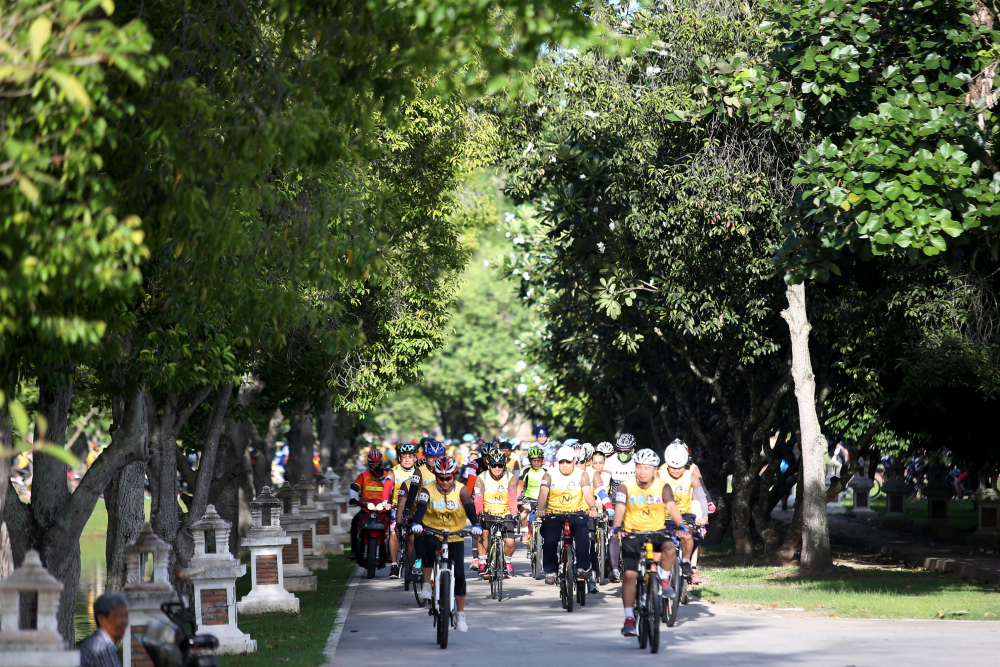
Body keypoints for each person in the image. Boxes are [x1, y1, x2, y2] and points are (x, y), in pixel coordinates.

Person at [611, 449, 688, 637]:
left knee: (670, 547)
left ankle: (663, 579)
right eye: (639, 467)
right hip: (632, 533)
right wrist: (617, 527)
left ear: (655, 469)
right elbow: (620, 508)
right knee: (629, 575)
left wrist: (680, 524)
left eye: (647, 467)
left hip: (657, 531)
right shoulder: (625, 486)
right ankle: (629, 618)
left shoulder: (663, 486)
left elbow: (671, 506)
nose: (643, 471)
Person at [412, 455, 482, 633]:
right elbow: (421, 507)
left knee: (459, 574)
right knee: (427, 545)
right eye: (441, 478)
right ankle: (427, 584)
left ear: (454, 476)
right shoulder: (427, 489)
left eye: (448, 478)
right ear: (436, 476)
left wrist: (476, 525)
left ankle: (460, 614)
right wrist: (417, 523)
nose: (444, 482)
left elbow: (468, 507)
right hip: (432, 530)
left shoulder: (461, 489)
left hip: (455, 535)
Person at [536, 445, 599, 586]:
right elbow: (543, 493)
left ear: (575, 460)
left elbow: (587, 492)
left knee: (583, 535)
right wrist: (540, 508)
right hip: (554, 514)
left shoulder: (582, 474)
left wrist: (593, 507)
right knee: (550, 539)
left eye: (568, 462)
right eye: (562, 462)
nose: (565, 465)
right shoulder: (549, 474)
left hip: (576, 513)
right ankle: (551, 571)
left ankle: (583, 567)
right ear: (557, 461)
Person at [658, 439, 707, 583]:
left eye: (680, 466)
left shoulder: (690, 475)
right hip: (663, 515)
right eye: (673, 466)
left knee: (687, 534)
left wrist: (703, 516)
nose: (676, 470)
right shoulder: (660, 474)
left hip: (684, 515)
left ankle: (686, 562)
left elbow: (701, 497)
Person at [396, 439, 445, 575]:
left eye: (437, 456)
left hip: (442, 509)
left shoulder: (447, 468)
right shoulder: (419, 471)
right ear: (425, 457)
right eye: (431, 457)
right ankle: (418, 559)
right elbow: (413, 490)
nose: (434, 459)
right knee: (419, 533)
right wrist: (407, 509)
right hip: (423, 510)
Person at [474, 447, 519, 578]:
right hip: (487, 511)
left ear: (504, 465)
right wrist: (480, 512)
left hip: (505, 512)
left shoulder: (510, 477)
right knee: (483, 533)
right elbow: (478, 498)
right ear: (489, 465)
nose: (497, 468)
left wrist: (514, 513)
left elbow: (512, 497)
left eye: (500, 465)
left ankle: (507, 562)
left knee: (510, 542)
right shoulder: (481, 477)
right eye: (494, 465)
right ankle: (482, 562)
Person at [349, 449, 394, 563]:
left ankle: (390, 553)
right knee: (355, 523)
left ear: (381, 463)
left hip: (383, 509)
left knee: (393, 527)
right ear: (369, 463)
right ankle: (354, 550)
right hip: (366, 508)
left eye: (377, 464)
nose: (375, 466)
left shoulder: (387, 475)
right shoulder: (363, 476)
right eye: (372, 464)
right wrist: (353, 499)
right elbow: (354, 487)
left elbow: (391, 489)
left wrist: (381, 477)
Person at [602, 434, 637, 582]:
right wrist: (604, 503)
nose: (622, 454)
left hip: (635, 500)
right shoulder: (610, 462)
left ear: (633, 450)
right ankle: (615, 569)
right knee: (616, 533)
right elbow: (603, 484)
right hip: (616, 499)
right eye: (620, 451)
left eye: (626, 451)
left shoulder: (638, 460)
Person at [388, 442, 419, 579]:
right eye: (404, 456)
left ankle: (413, 566)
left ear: (415, 458)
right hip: (397, 507)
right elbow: (386, 489)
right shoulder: (393, 471)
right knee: (393, 533)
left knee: (414, 537)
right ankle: (394, 565)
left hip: (415, 509)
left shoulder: (419, 471)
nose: (407, 459)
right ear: (399, 458)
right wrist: (385, 502)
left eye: (410, 456)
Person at [79, 592, 129, 667]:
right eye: (119, 616)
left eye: (126, 616)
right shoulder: (104, 648)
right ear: (101, 619)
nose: (125, 622)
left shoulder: (94, 642)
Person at [518, 445, 547, 544]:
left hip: (543, 498)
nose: (536, 462)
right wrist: (518, 496)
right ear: (530, 460)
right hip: (529, 497)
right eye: (533, 460)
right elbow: (520, 484)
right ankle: (525, 532)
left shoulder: (546, 470)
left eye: (538, 460)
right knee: (523, 514)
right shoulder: (526, 469)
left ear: (542, 460)